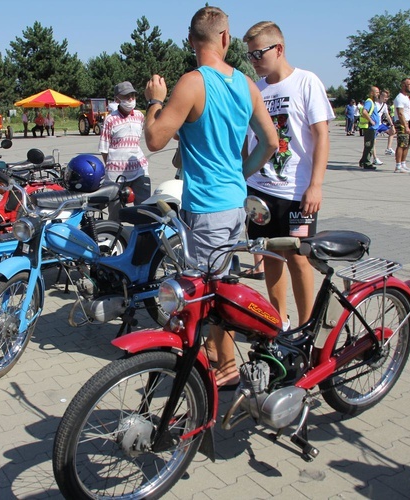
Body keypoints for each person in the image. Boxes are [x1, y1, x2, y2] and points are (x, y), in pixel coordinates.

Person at [143, 7, 278, 386]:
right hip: (235, 205)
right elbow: (270, 142)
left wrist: (155, 99)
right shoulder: (246, 85)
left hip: (205, 209)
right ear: (225, 38)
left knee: (204, 293)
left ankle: (222, 369)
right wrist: (240, 174)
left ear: (190, 41)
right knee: (221, 284)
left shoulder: (193, 83)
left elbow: (154, 138)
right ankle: (222, 362)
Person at [243, 21, 334, 336]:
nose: (254, 60)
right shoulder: (257, 89)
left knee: (299, 258)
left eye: (259, 53)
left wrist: (316, 184)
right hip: (259, 190)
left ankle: (308, 326)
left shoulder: (306, 82)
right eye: (250, 55)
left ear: (278, 49)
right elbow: (248, 141)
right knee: (269, 254)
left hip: (296, 191)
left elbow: (321, 135)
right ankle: (278, 320)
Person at [99, 81, 151, 218]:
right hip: (116, 174)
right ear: (117, 99)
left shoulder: (139, 116)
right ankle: (115, 237)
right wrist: (113, 165)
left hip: (139, 170)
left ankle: (142, 238)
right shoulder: (110, 119)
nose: (130, 99)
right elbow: (104, 149)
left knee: (144, 211)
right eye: (126, 96)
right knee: (115, 213)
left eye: (133, 95)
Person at [393, 78, 410, 174]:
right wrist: (405, 126)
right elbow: (400, 113)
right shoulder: (400, 98)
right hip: (401, 122)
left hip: (407, 122)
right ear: (403, 85)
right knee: (401, 144)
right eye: (408, 84)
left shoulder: (406, 97)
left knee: (407, 144)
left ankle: (403, 164)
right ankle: (398, 166)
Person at [358, 86, 380, 170]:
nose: (378, 94)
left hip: (373, 127)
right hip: (370, 127)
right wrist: (371, 120)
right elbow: (364, 112)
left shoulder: (372, 102)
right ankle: (366, 162)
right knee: (369, 145)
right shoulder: (369, 101)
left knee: (370, 145)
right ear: (371, 93)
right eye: (376, 92)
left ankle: (364, 161)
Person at [379, 89, 397, 155]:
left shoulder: (384, 105)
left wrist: (392, 125)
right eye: (385, 96)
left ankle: (388, 148)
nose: (386, 98)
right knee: (373, 141)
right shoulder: (375, 104)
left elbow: (387, 116)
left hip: (380, 124)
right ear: (380, 96)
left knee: (392, 132)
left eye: (387, 97)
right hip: (374, 124)